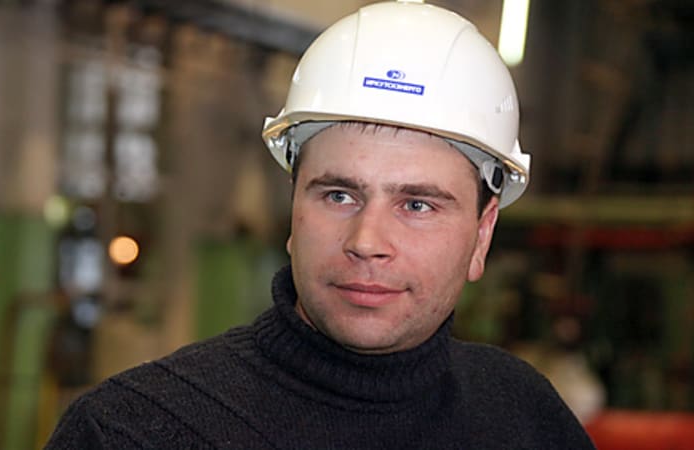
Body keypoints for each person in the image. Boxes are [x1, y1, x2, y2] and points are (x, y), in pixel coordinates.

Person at [45, 1, 596, 448]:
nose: (366, 242)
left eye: (417, 205)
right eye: (339, 195)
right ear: (293, 213)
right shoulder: (132, 432)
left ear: (482, 235)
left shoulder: (525, 419)